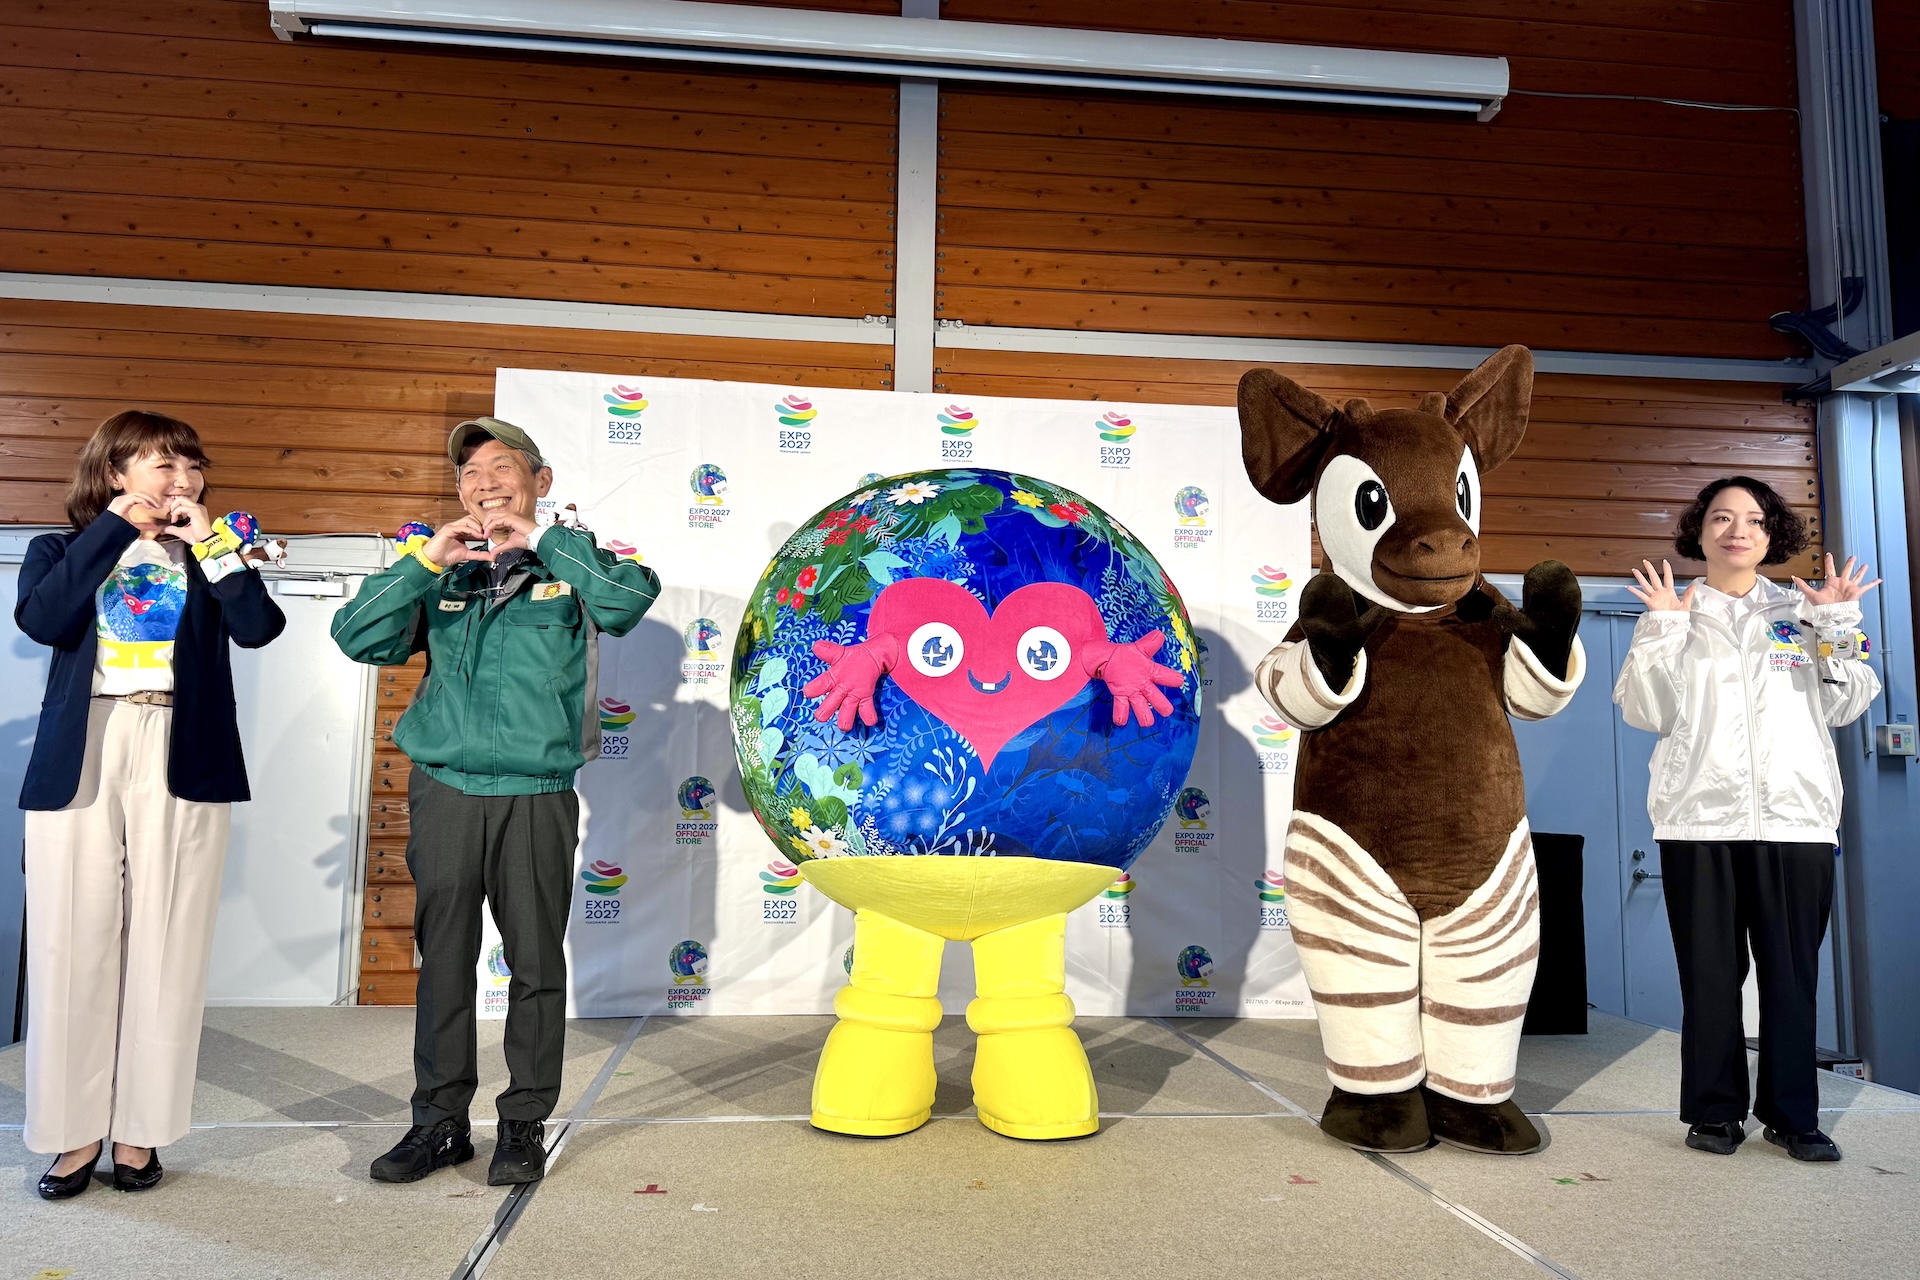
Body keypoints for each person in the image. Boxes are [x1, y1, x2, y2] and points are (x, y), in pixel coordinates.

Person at [331, 417, 660, 1186]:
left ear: (539, 482)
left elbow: (627, 600)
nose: (484, 483)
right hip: (445, 791)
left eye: (502, 467)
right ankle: (439, 1123)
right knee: (443, 960)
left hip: (537, 796)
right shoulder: (439, 574)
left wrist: (544, 542)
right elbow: (355, 635)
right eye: (470, 473)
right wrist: (422, 562)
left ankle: (522, 1125)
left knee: (537, 963)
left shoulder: (572, 567)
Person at [17, 410, 286, 1199]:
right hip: (86, 746)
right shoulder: (62, 549)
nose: (182, 479)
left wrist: (211, 546)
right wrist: (112, 530)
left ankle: (140, 1134)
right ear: (113, 474)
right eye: (163, 464)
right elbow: (43, 618)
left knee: (169, 947)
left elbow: (259, 627)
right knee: (73, 944)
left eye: (191, 465)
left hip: (182, 745)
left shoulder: (210, 553)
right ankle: (72, 1138)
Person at [1615, 475, 1880, 1163]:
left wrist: (1838, 626)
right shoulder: (1671, 613)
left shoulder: (1802, 610)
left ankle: (1794, 1116)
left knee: (1791, 977)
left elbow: (1847, 705)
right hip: (1698, 821)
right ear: (1699, 532)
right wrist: (1666, 630)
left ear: (1772, 536)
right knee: (1709, 974)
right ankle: (1714, 1112)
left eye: (1755, 520)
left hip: (1796, 822)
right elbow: (1648, 712)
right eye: (1723, 517)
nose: (1739, 529)